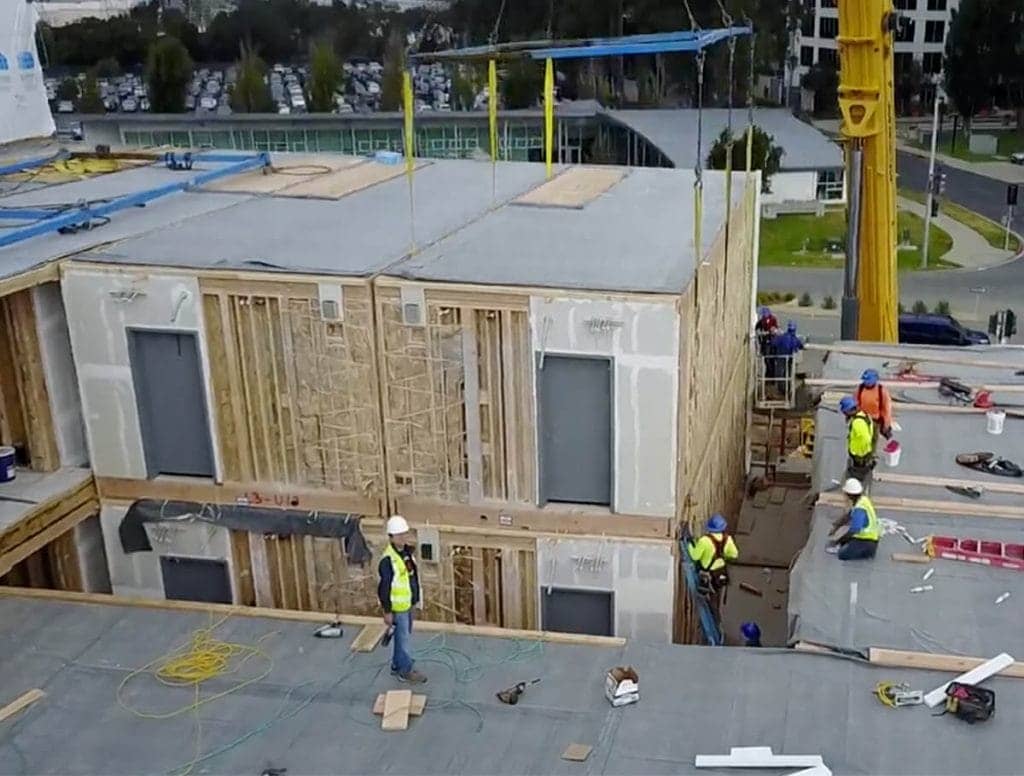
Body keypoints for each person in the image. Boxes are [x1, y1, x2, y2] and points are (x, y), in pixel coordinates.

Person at [377, 515, 427, 684]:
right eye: (398, 535)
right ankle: (404, 671)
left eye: (404, 534)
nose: (403, 538)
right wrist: (387, 611)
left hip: (407, 605)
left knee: (402, 636)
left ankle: (397, 664)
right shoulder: (388, 560)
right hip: (397, 608)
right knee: (403, 638)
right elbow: (384, 587)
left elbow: (412, 578)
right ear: (390, 537)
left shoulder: (406, 555)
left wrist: (415, 601)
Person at [687, 514, 739, 614]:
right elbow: (734, 554)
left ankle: (709, 610)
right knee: (717, 594)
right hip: (720, 571)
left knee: (706, 596)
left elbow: (695, 556)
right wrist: (724, 556)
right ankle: (716, 613)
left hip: (707, 573)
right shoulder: (728, 539)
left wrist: (690, 545)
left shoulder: (704, 541)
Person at [826, 478, 880, 560]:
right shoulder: (862, 500)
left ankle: (865, 554)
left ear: (849, 495)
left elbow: (854, 529)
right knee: (846, 543)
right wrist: (836, 526)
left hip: (867, 541)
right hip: (867, 539)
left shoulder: (860, 509)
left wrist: (838, 541)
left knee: (843, 555)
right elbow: (848, 516)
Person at [840, 395, 875, 484]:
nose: (845, 414)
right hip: (864, 452)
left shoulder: (857, 422)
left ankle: (858, 486)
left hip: (859, 454)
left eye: (845, 412)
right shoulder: (864, 415)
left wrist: (861, 453)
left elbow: (865, 438)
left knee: (858, 475)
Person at [856, 369, 893, 441]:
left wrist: (886, 424)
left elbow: (887, 409)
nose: (866, 382)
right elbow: (855, 403)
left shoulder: (881, 391)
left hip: (875, 421)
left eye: (867, 380)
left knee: (872, 441)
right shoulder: (860, 389)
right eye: (864, 380)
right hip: (862, 420)